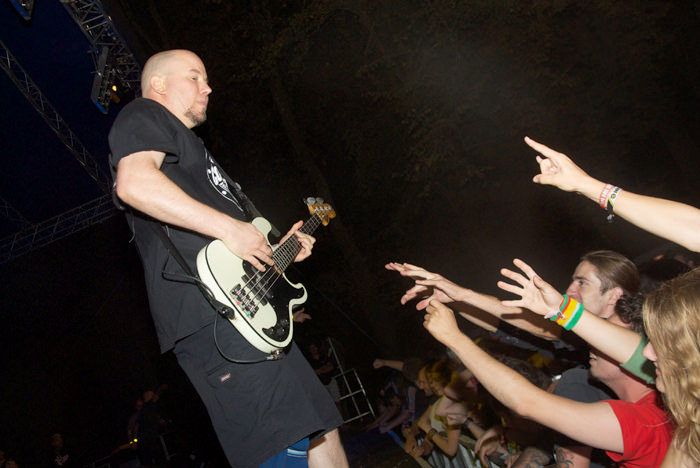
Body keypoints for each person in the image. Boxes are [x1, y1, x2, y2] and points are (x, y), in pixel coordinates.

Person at [108, 49, 346, 468]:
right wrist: (230, 228)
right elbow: (134, 184)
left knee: (323, 434)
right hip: (211, 314)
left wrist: (283, 248)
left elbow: (246, 246)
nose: (208, 87)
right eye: (195, 77)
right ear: (159, 84)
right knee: (282, 444)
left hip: (254, 314)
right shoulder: (144, 114)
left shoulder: (197, 153)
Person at [523, 137, 700, 467]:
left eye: (663, 343)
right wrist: (586, 185)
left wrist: (588, 186)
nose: (646, 353)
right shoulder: (692, 427)